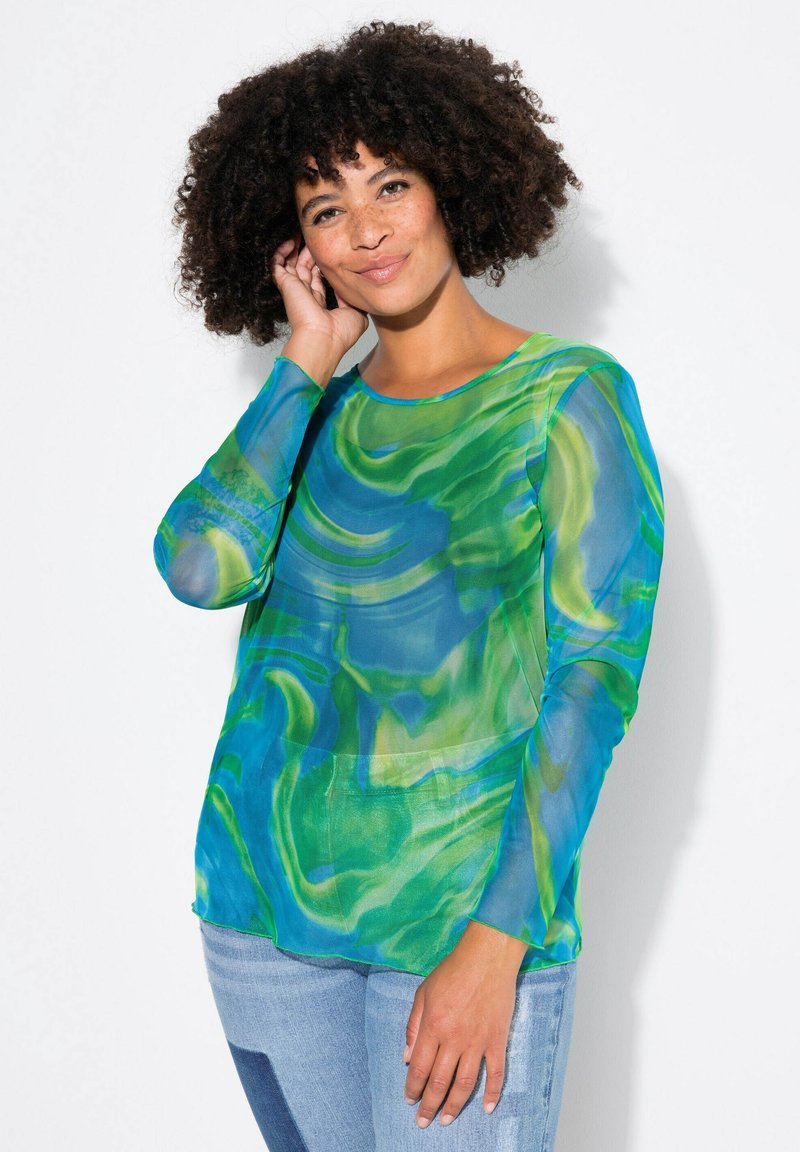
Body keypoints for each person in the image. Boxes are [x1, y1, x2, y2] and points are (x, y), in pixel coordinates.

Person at [152, 19, 665, 1151]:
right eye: (324, 209)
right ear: (296, 247)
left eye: (390, 185)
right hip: (259, 911)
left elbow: (592, 679)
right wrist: (302, 362)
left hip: (458, 921)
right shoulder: (313, 412)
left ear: (450, 188)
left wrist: (496, 941)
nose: (366, 229)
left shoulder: (564, 396)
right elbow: (199, 567)